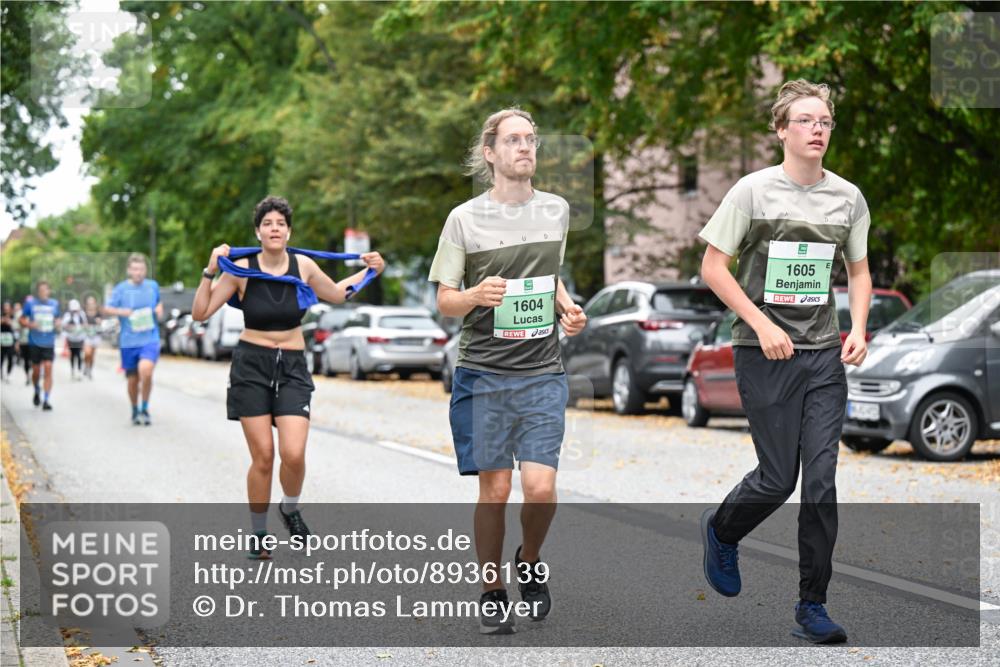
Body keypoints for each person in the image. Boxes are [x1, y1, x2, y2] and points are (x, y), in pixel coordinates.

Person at [697, 80, 872, 644]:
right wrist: (762, 322)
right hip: (763, 352)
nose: (817, 129)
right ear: (781, 130)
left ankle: (812, 605)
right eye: (805, 120)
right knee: (777, 478)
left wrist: (860, 328)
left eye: (824, 121)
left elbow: (860, 271)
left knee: (821, 481)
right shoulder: (751, 191)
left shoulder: (847, 197)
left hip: (822, 354)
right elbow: (714, 267)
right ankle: (724, 531)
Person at [429, 108, 587, 635]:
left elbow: (550, 275)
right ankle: (492, 588)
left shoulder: (557, 211)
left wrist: (567, 306)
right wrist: (474, 295)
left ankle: (529, 558)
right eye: (513, 140)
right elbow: (446, 301)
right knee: (494, 492)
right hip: (485, 374)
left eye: (531, 139)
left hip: (542, 371)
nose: (525, 147)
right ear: (490, 153)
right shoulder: (464, 218)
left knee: (541, 490)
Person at [191, 195, 384, 560]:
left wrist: (372, 270)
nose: (274, 228)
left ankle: (290, 508)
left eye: (281, 223)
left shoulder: (304, 265)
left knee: (293, 454)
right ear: (258, 231)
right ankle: (259, 533)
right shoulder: (240, 269)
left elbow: (338, 294)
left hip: (293, 365)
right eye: (268, 223)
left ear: (288, 231)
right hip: (252, 365)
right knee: (263, 455)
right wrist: (210, 269)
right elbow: (200, 312)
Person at [104, 254, 163, 425]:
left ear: (145, 270)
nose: (138, 273)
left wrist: (159, 309)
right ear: (129, 270)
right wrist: (123, 312)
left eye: (142, 269)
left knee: (146, 371)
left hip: (150, 338)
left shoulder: (153, 286)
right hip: (129, 341)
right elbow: (107, 308)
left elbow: (158, 303)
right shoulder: (121, 289)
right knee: (132, 380)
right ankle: (135, 409)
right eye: (135, 269)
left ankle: (145, 407)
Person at [20, 282, 61, 410]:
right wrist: (30, 325)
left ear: (49, 291)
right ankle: (37, 390)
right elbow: (21, 319)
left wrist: (57, 323)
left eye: (46, 290)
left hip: (49, 341)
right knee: (36, 371)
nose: (44, 292)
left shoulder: (54, 304)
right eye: (41, 290)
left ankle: (46, 400)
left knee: (48, 367)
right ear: (38, 292)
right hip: (34, 342)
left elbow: (57, 319)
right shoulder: (31, 304)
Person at [61, 299, 87, 381]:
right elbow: (64, 325)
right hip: (71, 338)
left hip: (80, 338)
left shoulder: (82, 314)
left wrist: (81, 328)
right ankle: (73, 370)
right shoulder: (67, 315)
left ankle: (79, 371)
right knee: (72, 354)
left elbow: (85, 324)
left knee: (79, 354)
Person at [82, 295, 103, 379]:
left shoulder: (98, 313)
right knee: (87, 353)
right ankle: (86, 365)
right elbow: (80, 323)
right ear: (86, 304)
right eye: (89, 303)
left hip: (96, 335)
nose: (91, 305)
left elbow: (102, 322)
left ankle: (90, 369)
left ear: (95, 304)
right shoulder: (83, 313)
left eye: (92, 303)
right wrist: (84, 325)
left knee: (92, 355)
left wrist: (99, 322)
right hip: (87, 335)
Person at [1, 302, 15, 382]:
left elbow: (14, 325)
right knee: (1, 358)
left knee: (10, 357)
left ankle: (8, 374)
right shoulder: (1, 314)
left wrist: (8, 321)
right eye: (5, 306)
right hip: (2, 338)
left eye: (8, 306)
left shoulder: (12, 316)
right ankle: (1, 373)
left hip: (10, 339)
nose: (6, 308)